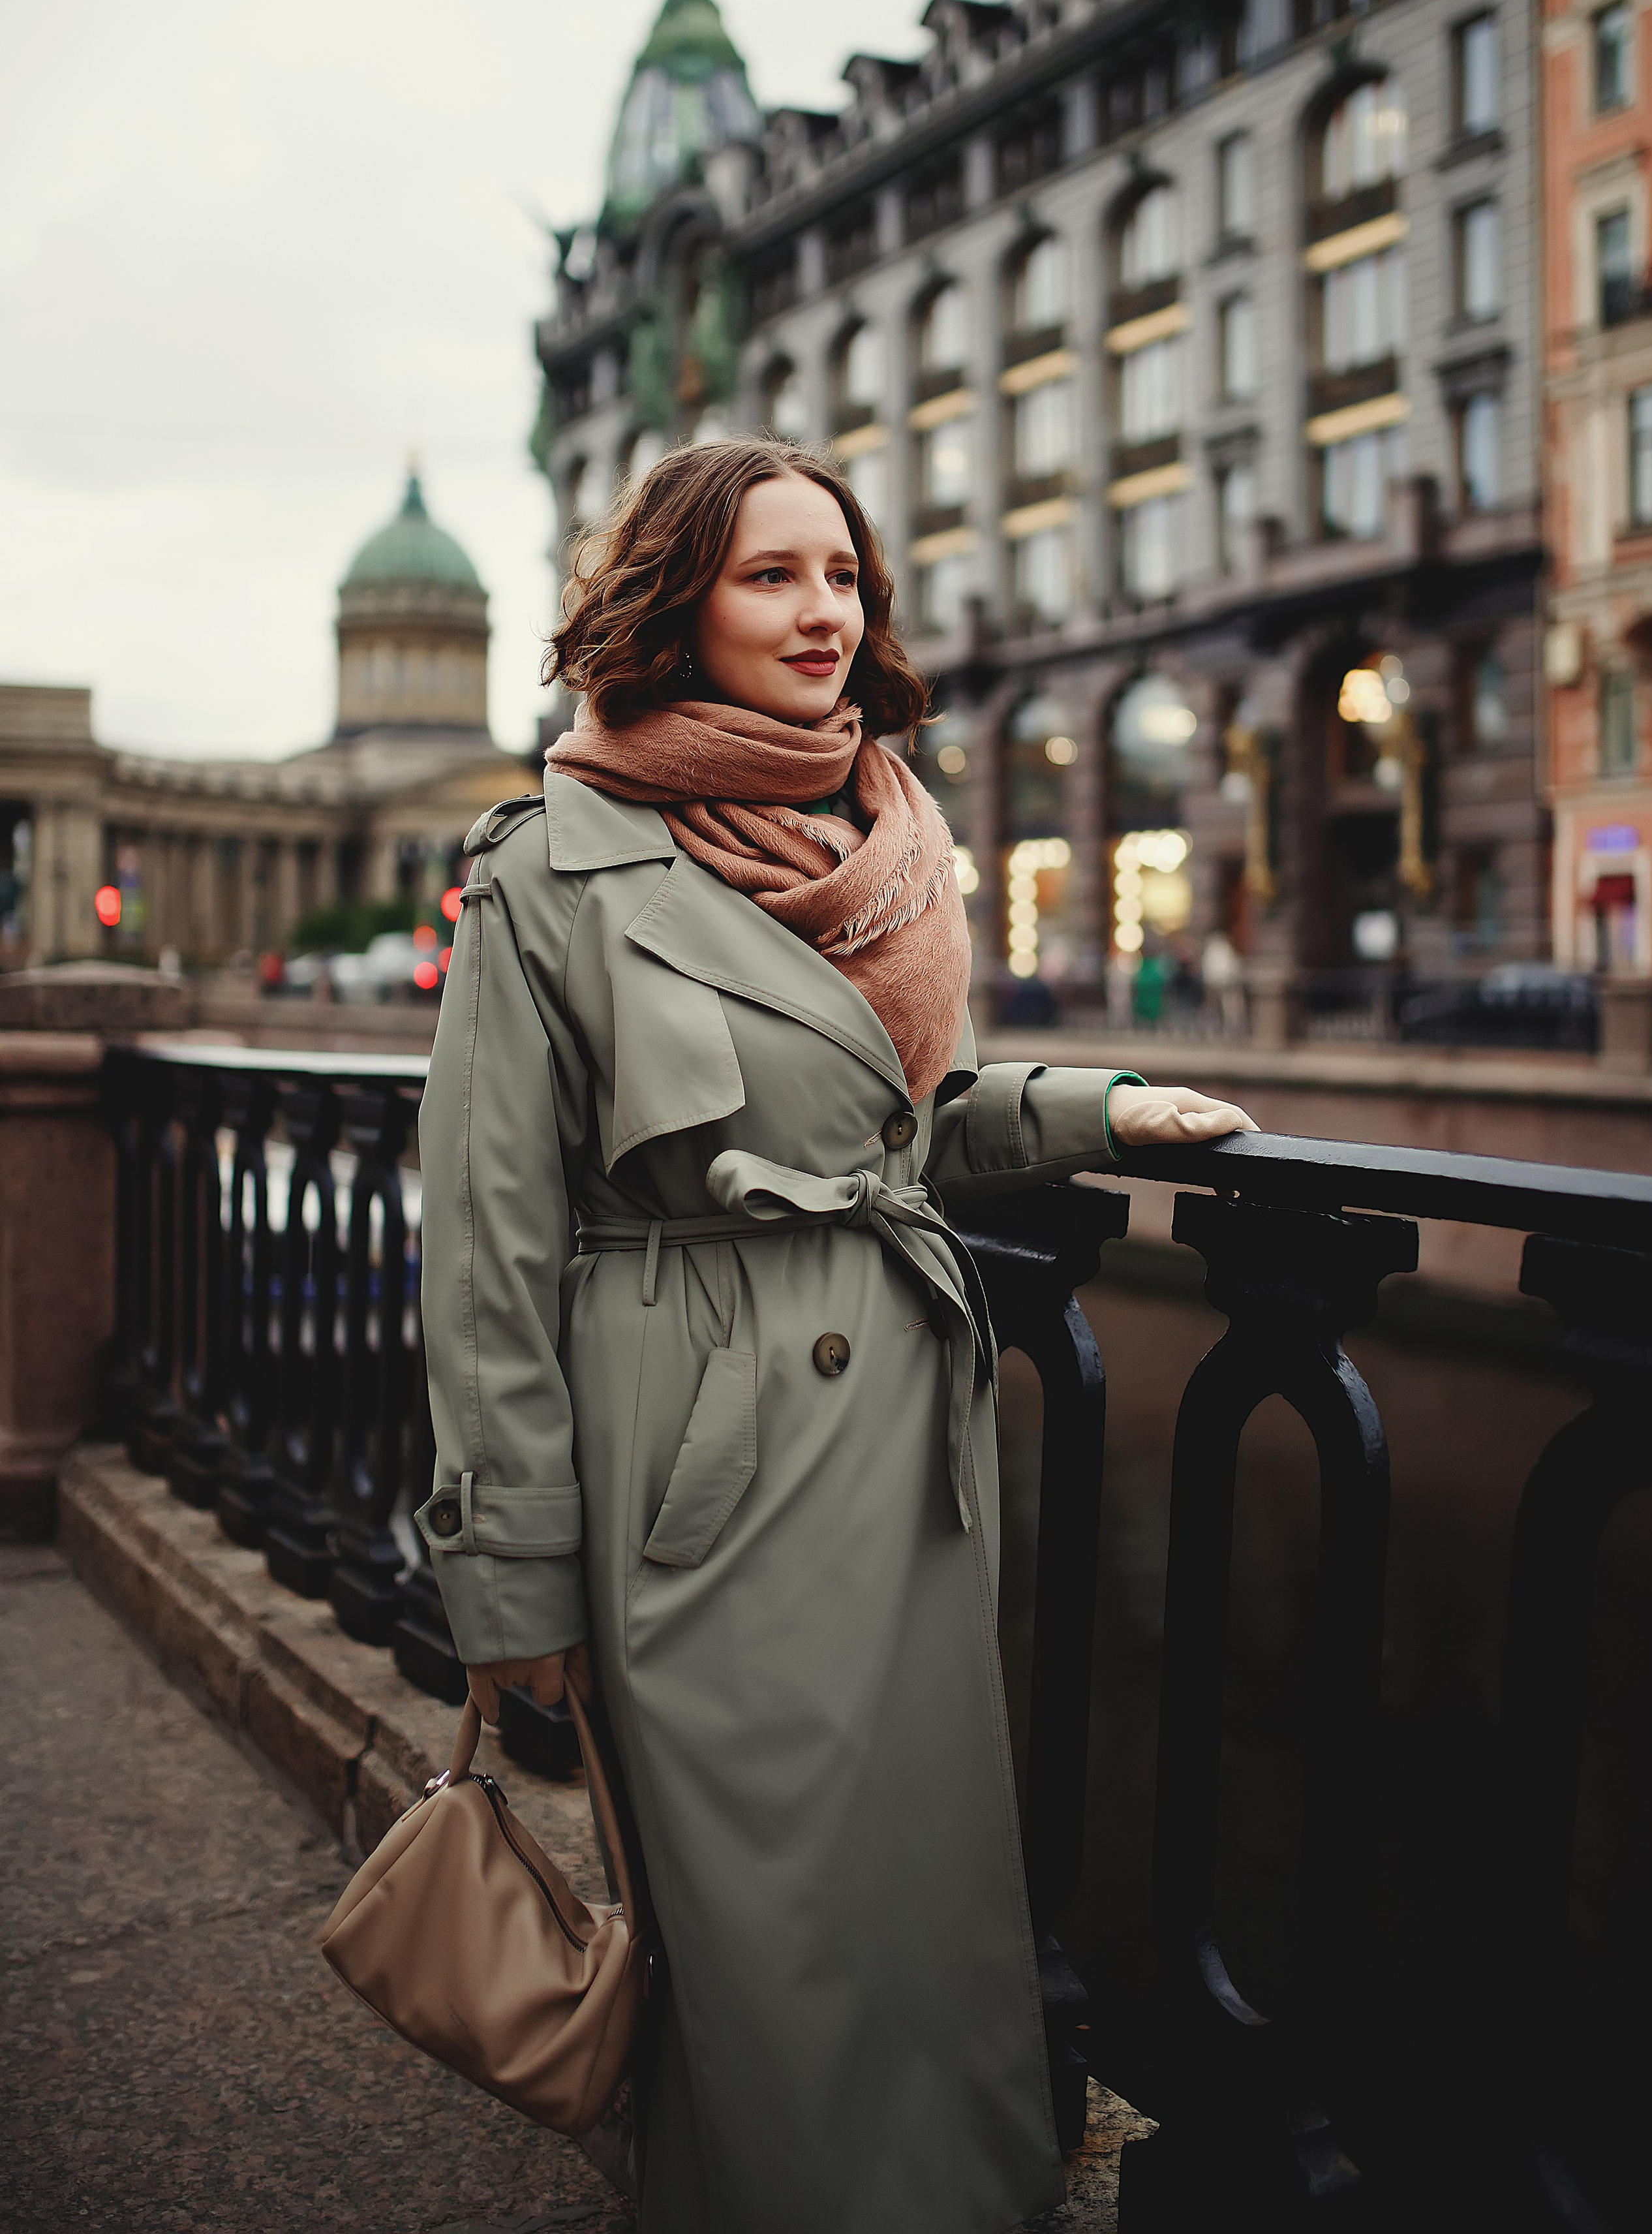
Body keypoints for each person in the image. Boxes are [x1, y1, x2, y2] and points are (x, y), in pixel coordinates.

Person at [413, 439, 1255, 2234]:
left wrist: (1087, 1109)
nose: (821, 615)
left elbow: (889, 1133)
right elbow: (485, 1246)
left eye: (844, 577)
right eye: (770, 577)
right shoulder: (550, 868)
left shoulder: (883, 829)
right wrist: (513, 1582)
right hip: (697, 1456)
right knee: (766, 1919)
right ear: (675, 603)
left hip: (903, 1436)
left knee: (913, 1891)